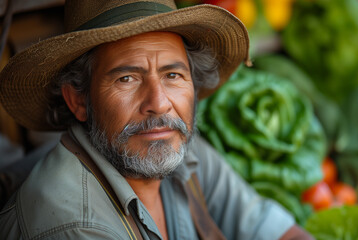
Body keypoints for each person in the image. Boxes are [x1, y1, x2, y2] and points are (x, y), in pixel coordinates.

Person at [0, 0, 314, 239]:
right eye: (126, 78)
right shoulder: (74, 226)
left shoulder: (176, 148)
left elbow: (269, 227)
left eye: (173, 75)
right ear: (78, 99)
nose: (159, 104)